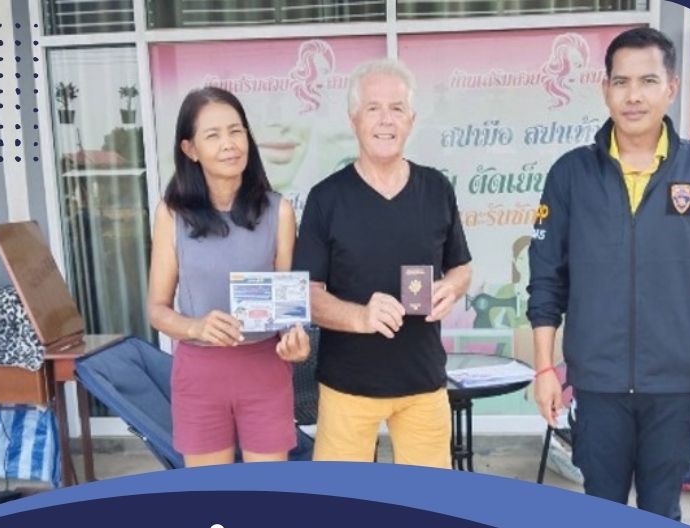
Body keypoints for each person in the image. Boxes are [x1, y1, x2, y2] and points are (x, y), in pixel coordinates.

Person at [527, 27, 690, 520]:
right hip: (598, 384)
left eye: (647, 81)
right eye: (621, 82)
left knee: (660, 516)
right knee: (602, 518)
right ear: (604, 89)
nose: (633, 96)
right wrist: (545, 369)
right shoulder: (571, 174)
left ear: (671, 88)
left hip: (673, 385)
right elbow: (546, 279)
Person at [294, 59, 472, 467]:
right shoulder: (326, 198)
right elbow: (307, 296)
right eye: (373, 108)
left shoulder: (437, 189)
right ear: (353, 119)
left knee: (432, 503)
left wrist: (451, 287)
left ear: (411, 120)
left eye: (397, 108)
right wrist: (361, 317)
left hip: (423, 383)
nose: (386, 120)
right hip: (347, 387)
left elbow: (461, 267)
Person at [148, 87, 310, 468]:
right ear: (190, 149)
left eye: (236, 131)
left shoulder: (278, 212)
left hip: (265, 370)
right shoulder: (172, 215)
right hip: (199, 375)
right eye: (213, 135)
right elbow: (157, 309)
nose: (229, 144)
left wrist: (296, 340)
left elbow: (288, 307)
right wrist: (196, 326)